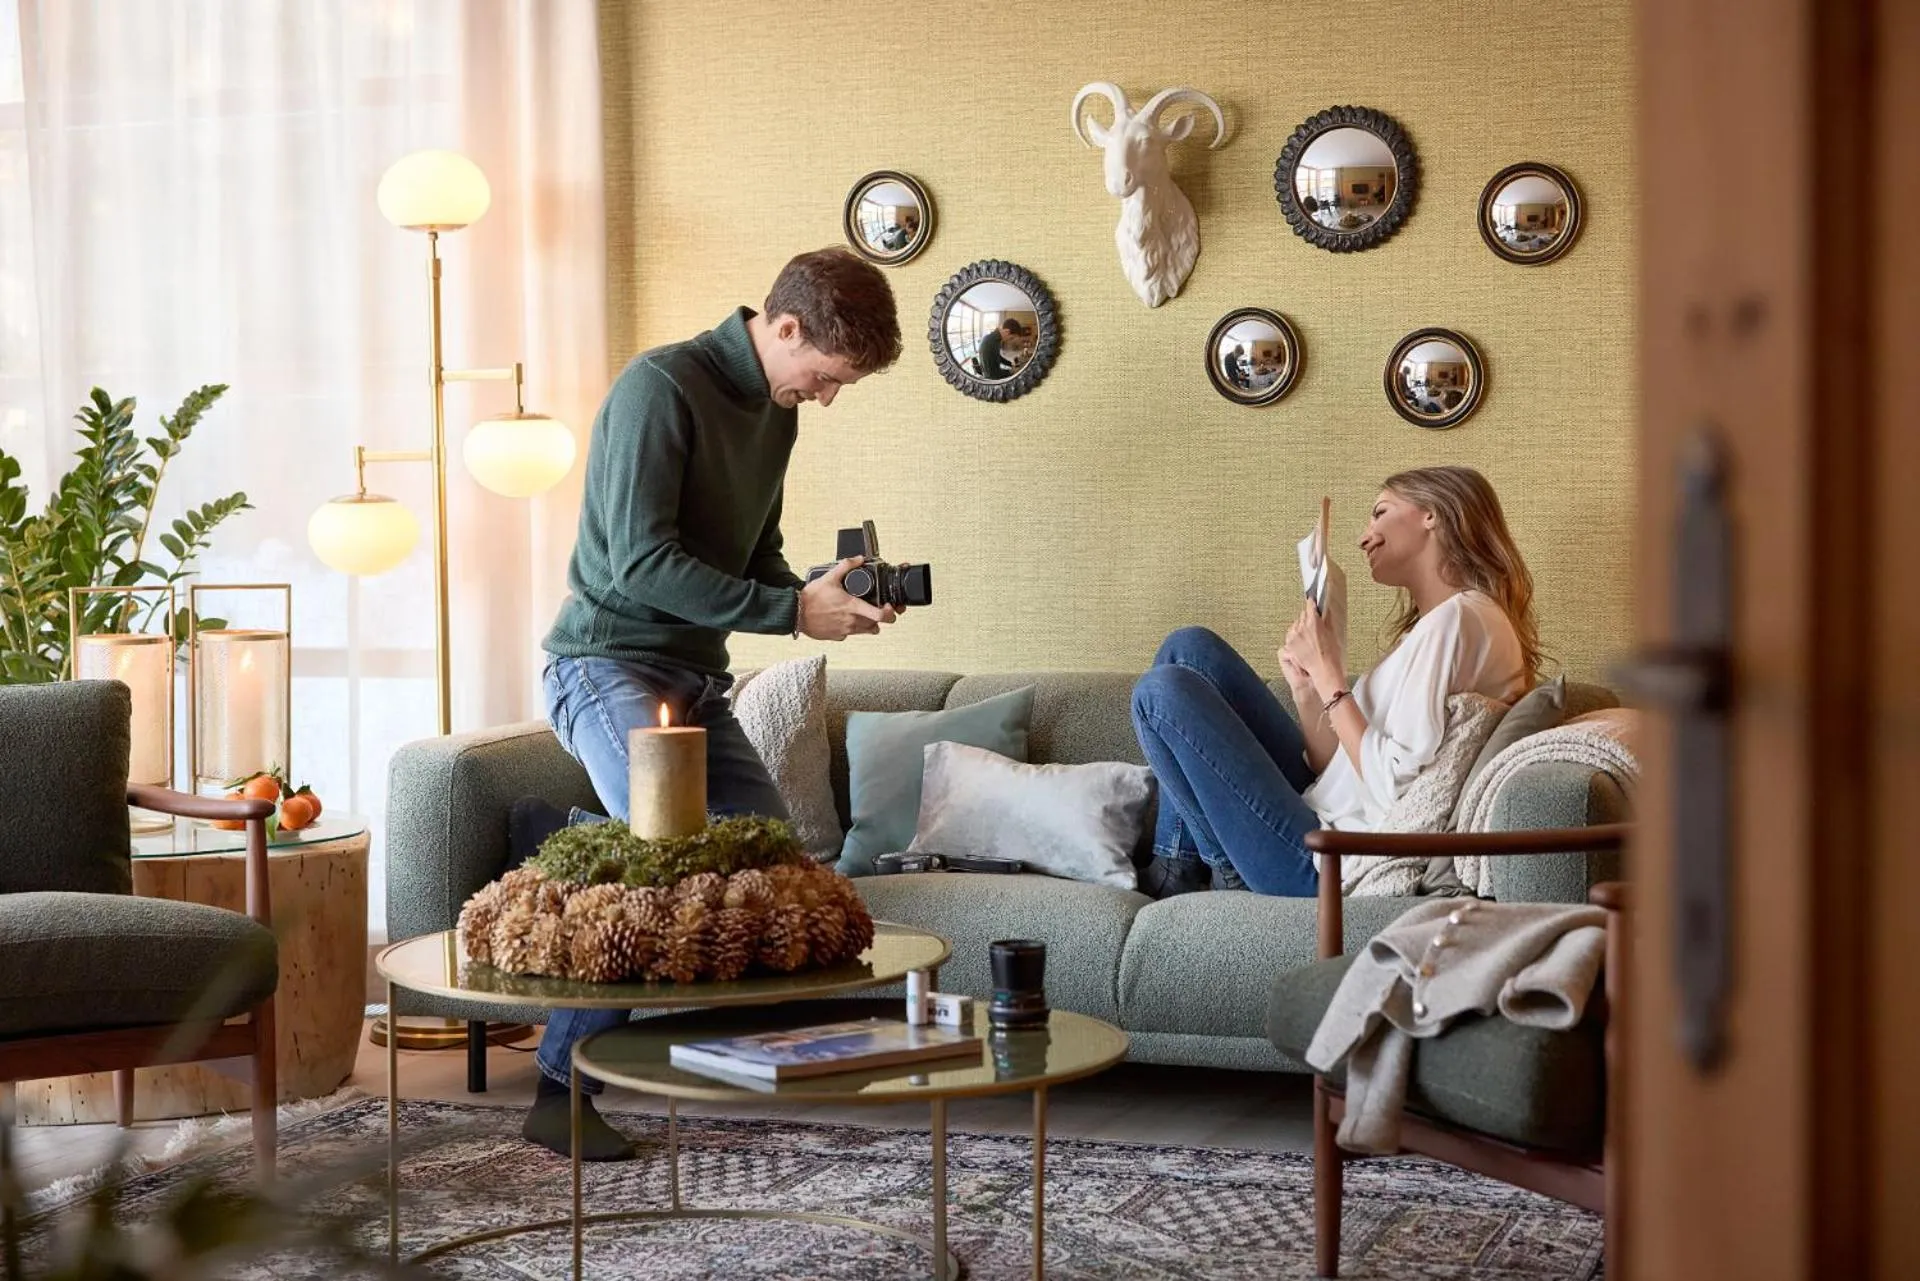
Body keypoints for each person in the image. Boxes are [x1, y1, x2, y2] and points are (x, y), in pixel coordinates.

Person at [513, 247, 906, 1160]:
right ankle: (557, 1090)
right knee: (669, 856)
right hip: (605, 665)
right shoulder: (661, 389)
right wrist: (784, 610)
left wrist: (817, 596)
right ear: (785, 327)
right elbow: (638, 565)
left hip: (692, 682)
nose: (828, 396)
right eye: (827, 375)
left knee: (762, 862)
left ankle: (576, 834)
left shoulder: (775, 415)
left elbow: (752, 557)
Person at [1129, 466, 1541, 899]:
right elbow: (1336, 771)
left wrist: (1330, 677)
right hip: (1321, 813)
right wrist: (1308, 689)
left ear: (1432, 514)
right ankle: (1181, 861)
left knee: (1160, 695)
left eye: (1380, 513)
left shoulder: (1460, 620)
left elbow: (1391, 788)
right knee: (1189, 649)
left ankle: (1199, 868)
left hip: (1326, 861)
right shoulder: (1438, 627)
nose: (1365, 538)